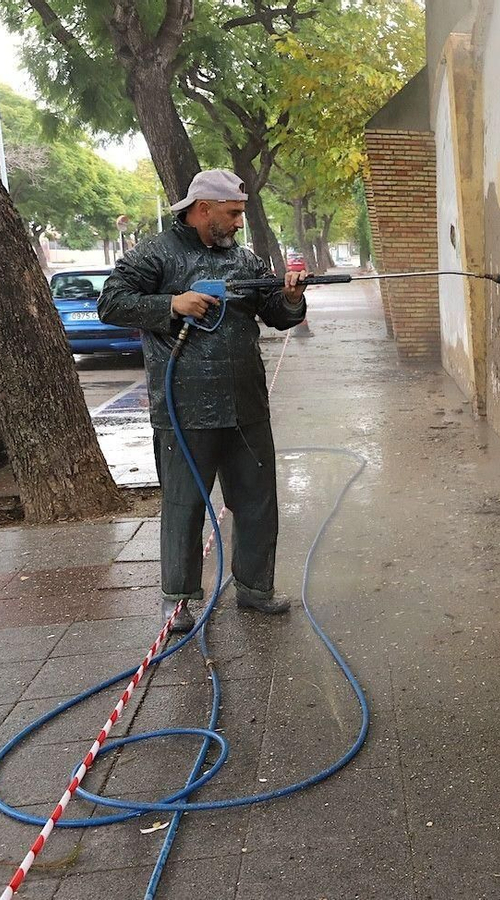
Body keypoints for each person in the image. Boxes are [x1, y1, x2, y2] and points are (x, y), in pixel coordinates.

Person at [99, 170, 308, 633]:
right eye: (232, 214)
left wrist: (290, 297)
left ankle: (255, 588)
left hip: (246, 405)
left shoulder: (244, 259)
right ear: (203, 209)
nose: (238, 222)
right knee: (184, 505)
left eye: (240, 214)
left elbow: (275, 313)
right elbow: (111, 302)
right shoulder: (157, 253)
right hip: (184, 408)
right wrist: (172, 305)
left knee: (257, 501)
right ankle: (177, 600)